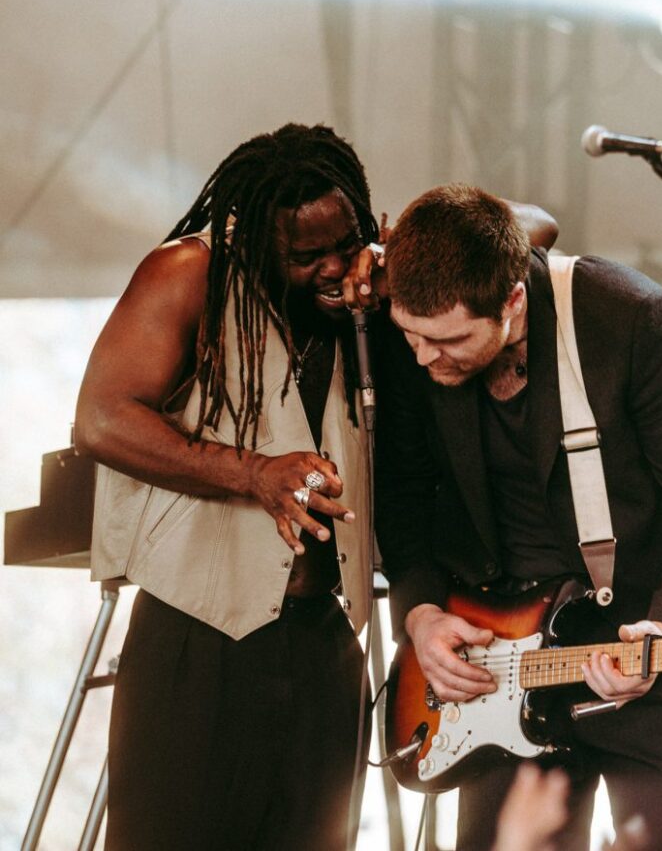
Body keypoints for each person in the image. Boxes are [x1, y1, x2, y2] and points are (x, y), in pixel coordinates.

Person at [75, 126, 557, 850]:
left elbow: (535, 226)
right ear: (255, 240)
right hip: (198, 639)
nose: (333, 268)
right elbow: (102, 417)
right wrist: (252, 472)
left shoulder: (375, 285)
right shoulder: (188, 273)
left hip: (322, 638)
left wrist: (398, 255)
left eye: (346, 242)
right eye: (306, 257)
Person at [374, 184, 662, 851]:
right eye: (413, 339)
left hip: (652, 648)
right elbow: (402, 498)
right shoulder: (419, 338)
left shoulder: (632, 318)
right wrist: (422, 614)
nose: (428, 358)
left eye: (452, 340)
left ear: (512, 300)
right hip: (504, 670)